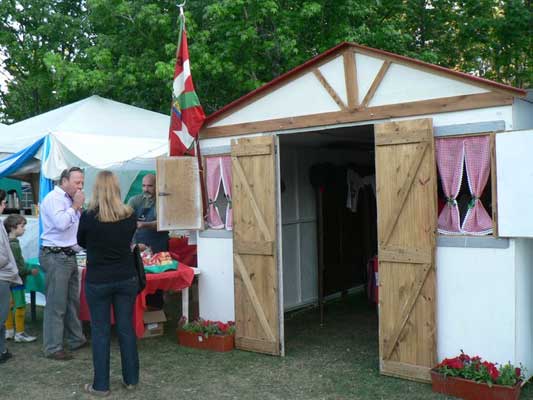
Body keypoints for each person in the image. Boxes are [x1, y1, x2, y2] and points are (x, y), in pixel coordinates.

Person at [77, 170, 139, 396]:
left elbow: (81, 241)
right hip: (125, 277)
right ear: (117, 188)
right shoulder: (129, 215)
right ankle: (131, 379)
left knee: (101, 332)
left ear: (96, 189)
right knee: (126, 328)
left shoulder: (88, 217)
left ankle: (101, 385)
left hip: (98, 279)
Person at [40, 167, 87, 360]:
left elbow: (70, 233)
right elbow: (60, 224)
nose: (80, 186)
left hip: (68, 254)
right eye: (77, 182)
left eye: (82, 182)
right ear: (64, 181)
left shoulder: (68, 200)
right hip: (55, 255)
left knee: (71, 301)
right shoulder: (54, 199)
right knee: (56, 304)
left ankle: (76, 338)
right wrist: (75, 207)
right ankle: (53, 347)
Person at [4, 214, 38, 343]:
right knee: (20, 306)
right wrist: (30, 270)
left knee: (8, 305)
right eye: (22, 226)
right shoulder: (14, 245)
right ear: (13, 228)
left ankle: (9, 330)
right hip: (16, 280)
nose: (24, 229)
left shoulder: (6, 242)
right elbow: (18, 265)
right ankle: (20, 333)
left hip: (7, 280)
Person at [0, 190, 23, 364]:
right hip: (2, 275)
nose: (5, 205)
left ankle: (2, 350)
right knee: (1, 315)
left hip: (5, 275)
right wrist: (7, 262)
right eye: (2, 202)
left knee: (3, 314)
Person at [127, 174, 168, 253]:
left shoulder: (162, 201)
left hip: (158, 244)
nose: (146, 189)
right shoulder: (134, 200)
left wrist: (144, 224)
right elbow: (126, 220)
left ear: (157, 186)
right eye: (143, 186)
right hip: (139, 243)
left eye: (150, 186)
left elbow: (164, 224)